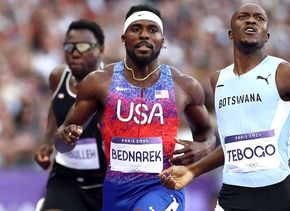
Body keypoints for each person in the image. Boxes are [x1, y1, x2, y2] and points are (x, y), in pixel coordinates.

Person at [160, 3, 290, 211]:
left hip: (279, 194)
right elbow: (232, 147)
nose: (251, 20)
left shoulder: (286, 74)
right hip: (233, 194)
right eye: (243, 16)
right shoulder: (219, 80)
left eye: (259, 18)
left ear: (267, 36)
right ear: (231, 33)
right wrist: (193, 171)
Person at [56, 4, 216, 211]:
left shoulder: (184, 86)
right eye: (136, 29)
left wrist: (204, 147)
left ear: (162, 41)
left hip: (163, 187)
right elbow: (61, 142)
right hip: (115, 192)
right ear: (124, 38)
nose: (144, 35)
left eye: (152, 30)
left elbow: (206, 132)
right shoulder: (98, 82)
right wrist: (66, 137)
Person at [34, 19, 107, 211]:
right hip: (66, 179)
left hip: (104, 183)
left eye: (83, 46)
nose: (74, 52)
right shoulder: (58, 77)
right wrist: (48, 143)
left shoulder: (112, 84)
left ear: (101, 48)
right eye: (69, 46)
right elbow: (55, 108)